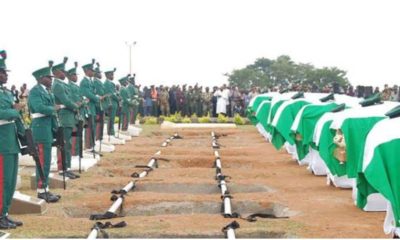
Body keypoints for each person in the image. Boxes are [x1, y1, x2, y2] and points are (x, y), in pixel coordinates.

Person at [28, 62, 62, 203]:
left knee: (47, 160)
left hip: (47, 128)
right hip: (40, 129)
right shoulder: (35, 91)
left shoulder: (46, 91)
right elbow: (39, 107)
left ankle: (45, 188)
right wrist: (54, 108)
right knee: (42, 161)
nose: (51, 79)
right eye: (49, 77)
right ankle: (41, 190)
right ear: (41, 78)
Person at [0, 50, 25, 228]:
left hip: (11, 141)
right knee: (2, 181)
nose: (5, 76)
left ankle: (5, 213)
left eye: (5, 73)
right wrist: (15, 111)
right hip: (2, 142)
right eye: (2, 73)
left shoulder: (6, 93)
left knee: (10, 181)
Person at [51, 57, 81, 180]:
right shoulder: (57, 85)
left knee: (67, 144)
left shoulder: (62, 84)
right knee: (63, 144)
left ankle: (67, 168)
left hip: (68, 117)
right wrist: (75, 106)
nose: (64, 73)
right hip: (64, 117)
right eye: (62, 71)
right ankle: (62, 168)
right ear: (55, 73)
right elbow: (65, 100)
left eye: (64, 71)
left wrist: (74, 106)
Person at [80, 60, 104, 152]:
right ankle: (88, 147)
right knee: (89, 128)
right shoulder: (84, 82)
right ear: (86, 71)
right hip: (88, 107)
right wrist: (97, 98)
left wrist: (96, 97)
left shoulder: (89, 81)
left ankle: (91, 145)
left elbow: (93, 93)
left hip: (92, 107)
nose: (93, 72)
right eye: (91, 70)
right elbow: (87, 94)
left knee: (92, 126)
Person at [103, 68, 119, 139]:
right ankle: (111, 133)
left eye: (113, 74)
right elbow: (112, 94)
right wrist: (118, 98)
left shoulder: (110, 83)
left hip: (113, 103)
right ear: (107, 75)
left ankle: (111, 133)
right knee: (111, 119)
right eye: (111, 75)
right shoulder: (107, 83)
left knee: (112, 119)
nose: (113, 76)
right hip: (111, 103)